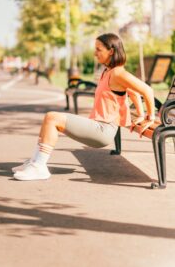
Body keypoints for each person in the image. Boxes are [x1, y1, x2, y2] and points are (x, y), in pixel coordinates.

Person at [13, 33, 155, 181]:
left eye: (99, 49)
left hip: (103, 130)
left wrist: (149, 117)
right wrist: (139, 114)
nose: (95, 53)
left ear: (111, 51)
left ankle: (39, 167)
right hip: (100, 127)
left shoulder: (118, 72)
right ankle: (35, 162)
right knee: (50, 118)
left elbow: (147, 90)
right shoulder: (108, 71)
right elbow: (131, 91)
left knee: (52, 118)